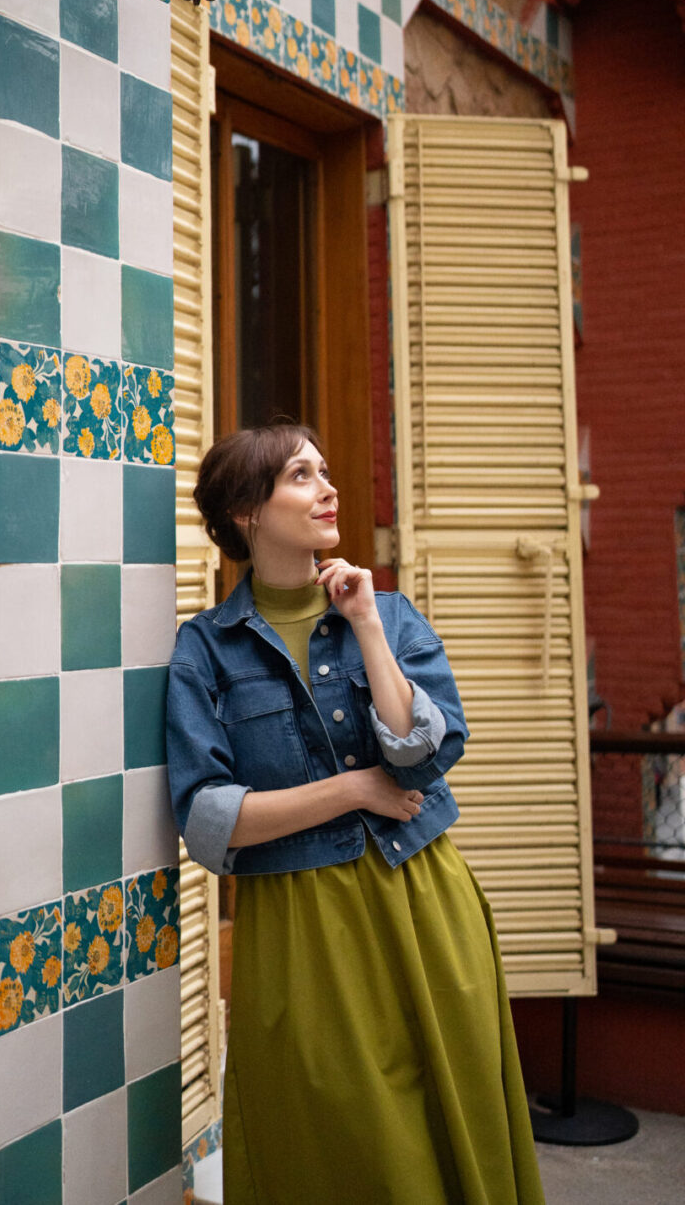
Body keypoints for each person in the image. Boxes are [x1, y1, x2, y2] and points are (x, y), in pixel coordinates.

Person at [166, 421, 546, 1205]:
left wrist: (367, 623)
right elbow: (208, 821)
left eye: (325, 470)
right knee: (339, 1145)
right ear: (247, 511)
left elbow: (425, 756)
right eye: (301, 476)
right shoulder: (203, 652)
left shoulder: (392, 616)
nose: (328, 488)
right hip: (303, 931)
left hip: (424, 903)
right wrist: (353, 789)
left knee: (456, 1127)